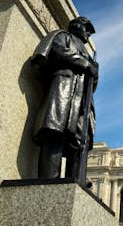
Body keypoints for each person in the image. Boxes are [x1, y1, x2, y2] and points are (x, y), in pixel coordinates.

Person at [31, 17, 98, 180]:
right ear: (76, 26)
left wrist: (95, 74)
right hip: (64, 90)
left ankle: (75, 182)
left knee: (79, 142)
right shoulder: (63, 36)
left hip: (81, 100)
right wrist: (87, 65)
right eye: (86, 28)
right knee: (55, 134)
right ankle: (49, 179)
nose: (89, 33)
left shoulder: (87, 52)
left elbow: (91, 84)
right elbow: (60, 51)